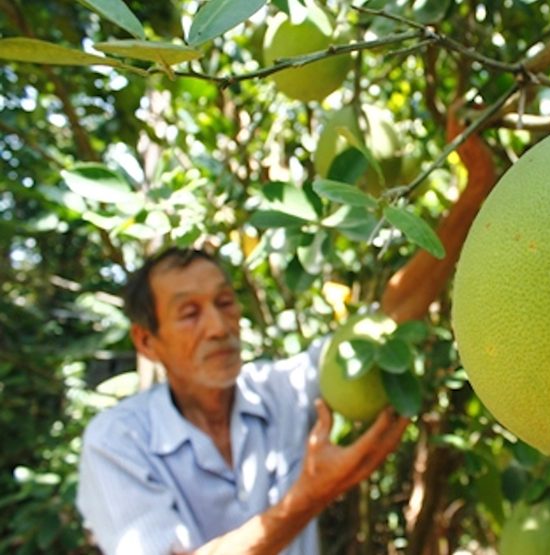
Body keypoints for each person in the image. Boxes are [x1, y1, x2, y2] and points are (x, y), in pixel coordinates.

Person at [76, 109, 499, 554]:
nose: (219, 327)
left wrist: (475, 192)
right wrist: (310, 495)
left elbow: (388, 318)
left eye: (224, 302)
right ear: (146, 341)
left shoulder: (278, 394)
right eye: (189, 313)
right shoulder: (119, 442)